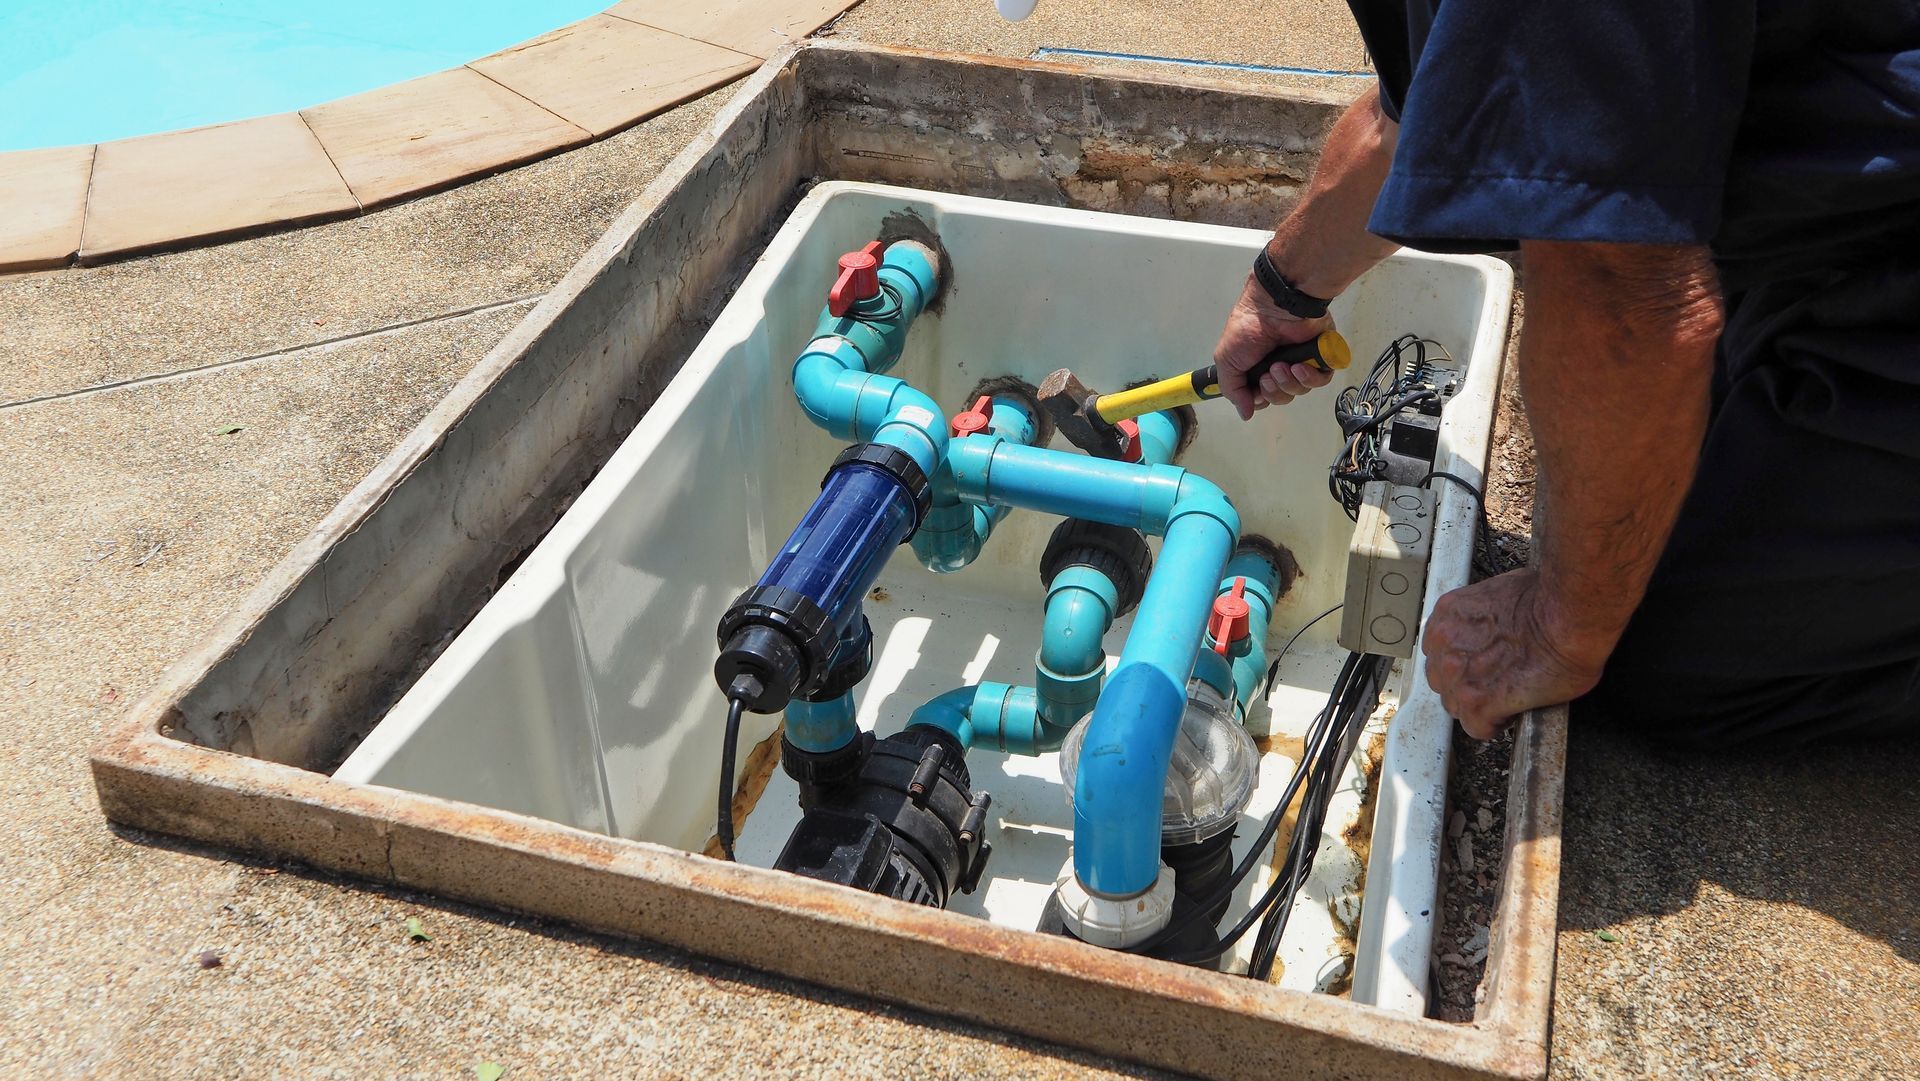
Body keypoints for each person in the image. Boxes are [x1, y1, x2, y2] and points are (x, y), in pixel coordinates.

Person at [1212, 3, 1920, 746]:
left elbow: (1627, 295)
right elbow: (1419, 111)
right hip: (1838, 227)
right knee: (1642, 489)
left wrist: (1558, 630)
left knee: (1655, 643)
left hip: (1878, 258)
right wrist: (1282, 292)